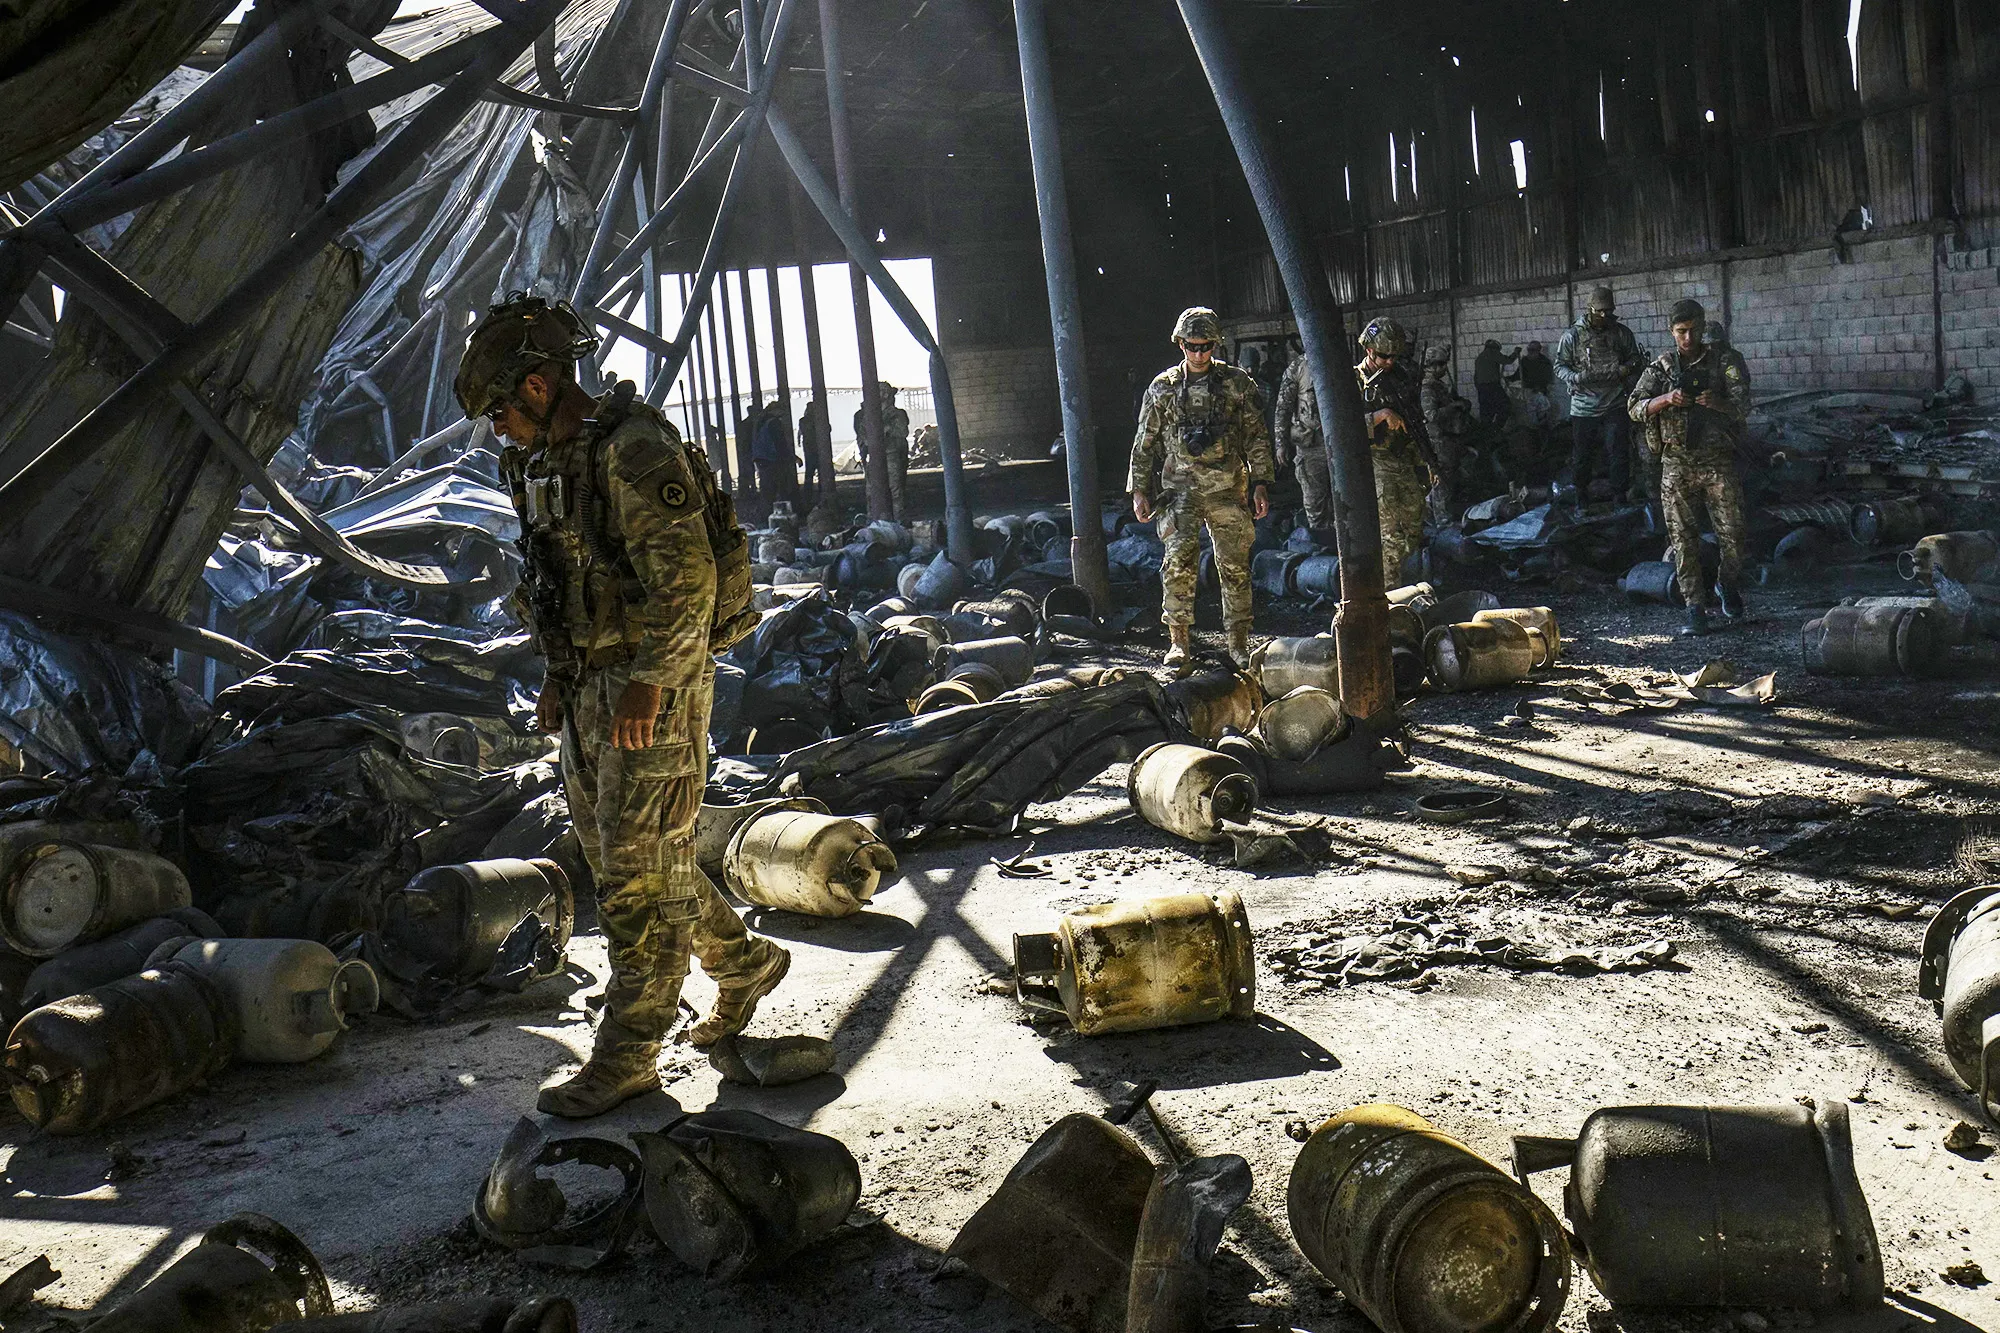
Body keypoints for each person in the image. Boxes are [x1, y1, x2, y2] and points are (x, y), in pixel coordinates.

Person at [454, 293, 788, 1118]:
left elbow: (687, 583)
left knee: (639, 873)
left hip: (655, 687)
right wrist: (562, 678)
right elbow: (561, 581)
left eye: (501, 408)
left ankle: (631, 1050)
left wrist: (649, 684)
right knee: (623, 860)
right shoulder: (545, 465)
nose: (499, 428)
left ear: (537, 386)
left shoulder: (632, 451)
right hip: (595, 686)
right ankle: (740, 960)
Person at [1127, 306, 1273, 671]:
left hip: (1228, 489)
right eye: (1191, 346)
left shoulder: (1238, 384)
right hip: (1180, 492)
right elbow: (1145, 442)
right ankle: (1179, 644)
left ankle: (1238, 644)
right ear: (1180, 344)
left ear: (1215, 344)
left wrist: (1261, 483)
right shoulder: (1163, 388)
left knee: (1235, 567)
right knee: (1177, 564)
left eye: (1206, 346)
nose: (1198, 354)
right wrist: (1139, 490)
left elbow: (1257, 435)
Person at [1629, 298, 1751, 637]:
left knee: (1736, 538)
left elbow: (1744, 404)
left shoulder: (1724, 363)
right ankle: (1694, 607)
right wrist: (1666, 399)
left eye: (1694, 330)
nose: (1688, 337)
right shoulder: (1661, 368)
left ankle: (1726, 585)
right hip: (1677, 465)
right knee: (1684, 541)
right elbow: (1634, 407)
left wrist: (1719, 403)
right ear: (1672, 332)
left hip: (1718, 463)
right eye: (1681, 331)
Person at [1356, 317, 1439, 587]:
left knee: (1414, 525)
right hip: (1374, 462)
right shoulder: (1353, 381)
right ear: (1369, 350)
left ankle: (1408, 586)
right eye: (1383, 356)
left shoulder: (1400, 380)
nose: (1389, 362)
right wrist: (1379, 416)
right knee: (1389, 533)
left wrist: (1426, 460)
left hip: (1403, 460)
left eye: (1394, 356)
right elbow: (1340, 427)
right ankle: (1390, 594)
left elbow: (1414, 424)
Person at [1555, 285, 1645, 500]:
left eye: (1608, 311)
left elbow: (1635, 358)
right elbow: (1559, 366)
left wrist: (1627, 368)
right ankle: (1581, 496)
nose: (1604, 315)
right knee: (1582, 455)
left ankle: (1619, 496)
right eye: (1600, 311)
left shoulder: (1621, 333)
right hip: (1583, 406)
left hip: (1614, 402)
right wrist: (1575, 377)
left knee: (1618, 453)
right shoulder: (1572, 336)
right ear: (1589, 309)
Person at [1273, 349, 1331, 530]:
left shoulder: (1339, 362)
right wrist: (1281, 443)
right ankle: (1320, 543)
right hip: (1311, 444)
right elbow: (1283, 407)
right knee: (1315, 500)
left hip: (1339, 442)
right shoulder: (1298, 368)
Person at [854, 382, 911, 518]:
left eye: (885, 391)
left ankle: (898, 517)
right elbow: (863, 436)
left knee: (895, 488)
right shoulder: (864, 415)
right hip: (873, 455)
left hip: (892, 453)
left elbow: (903, 431)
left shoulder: (896, 413)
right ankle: (872, 517)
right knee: (871, 489)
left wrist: (887, 429)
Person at [1472, 340, 1519, 426]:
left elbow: (1475, 376)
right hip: (1492, 387)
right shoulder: (1492, 353)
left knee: (1486, 412)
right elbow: (1507, 360)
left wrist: (1479, 388)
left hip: (1481, 389)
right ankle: (1497, 428)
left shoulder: (1479, 357)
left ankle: (1486, 432)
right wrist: (1515, 353)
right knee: (1505, 406)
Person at [752, 401, 789, 502]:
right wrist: (789, 457)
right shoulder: (774, 422)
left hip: (760, 458)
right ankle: (778, 511)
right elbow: (780, 443)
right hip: (771, 458)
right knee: (779, 487)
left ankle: (766, 512)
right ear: (777, 411)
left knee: (766, 488)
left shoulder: (761, 421)